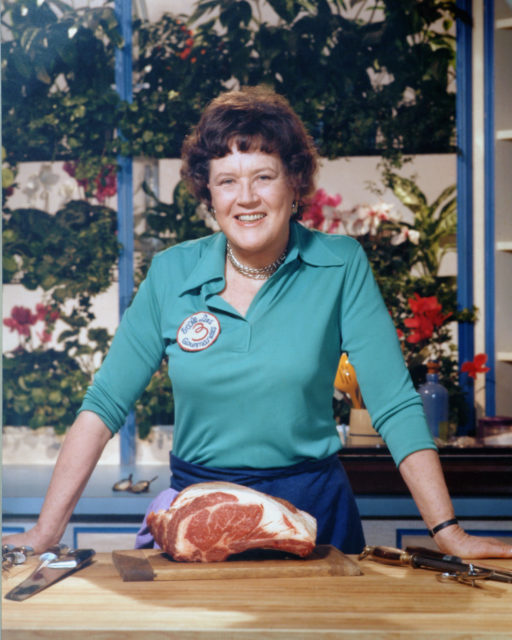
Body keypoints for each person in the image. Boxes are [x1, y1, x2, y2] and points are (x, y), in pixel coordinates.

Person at [4, 86, 511, 558]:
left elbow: (394, 403)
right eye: (227, 181)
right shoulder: (171, 272)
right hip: (199, 519)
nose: (245, 198)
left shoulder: (340, 264)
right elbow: (103, 407)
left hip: (315, 519)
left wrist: (449, 532)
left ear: (294, 183)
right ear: (209, 195)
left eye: (263, 176)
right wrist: (47, 530)